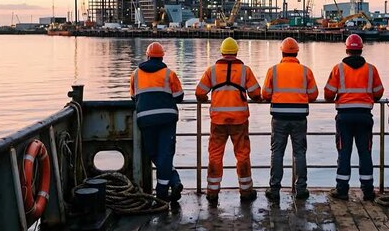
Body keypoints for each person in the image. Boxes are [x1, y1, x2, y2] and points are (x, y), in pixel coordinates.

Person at [195, 37, 262, 203]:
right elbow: (255, 94)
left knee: (215, 156)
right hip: (239, 121)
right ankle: (246, 192)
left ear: (222, 52)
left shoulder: (211, 71)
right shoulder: (245, 71)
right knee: (242, 155)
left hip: (217, 121)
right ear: (236, 52)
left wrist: (206, 99)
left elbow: (199, 93)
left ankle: (212, 193)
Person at [324, 34, 384, 201]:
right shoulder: (371, 69)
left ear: (347, 49)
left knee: (344, 153)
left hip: (344, 117)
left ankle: (342, 190)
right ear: (361, 49)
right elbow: (378, 92)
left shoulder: (338, 69)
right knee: (365, 153)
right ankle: (368, 191)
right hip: (364, 117)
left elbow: (328, 94)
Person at [262, 37, 318, 201]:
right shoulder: (306, 71)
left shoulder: (273, 70)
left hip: (279, 117)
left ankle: (274, 190)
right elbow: (314, 95)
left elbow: (265, 94)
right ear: (297, 53)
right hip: (299, 117)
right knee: (300, 153)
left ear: (282, 51)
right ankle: (301, 189)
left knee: (277, 153)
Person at [130, 42, 184, 202]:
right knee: (166, 154)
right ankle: (166, 188)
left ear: (147, 56)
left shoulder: (135, 74)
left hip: (146, 119)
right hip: (167, 119)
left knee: (154, 153)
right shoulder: (169, 74)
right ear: (161, 57)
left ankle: (171, 185)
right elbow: (179, 96)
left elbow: (133, 97)